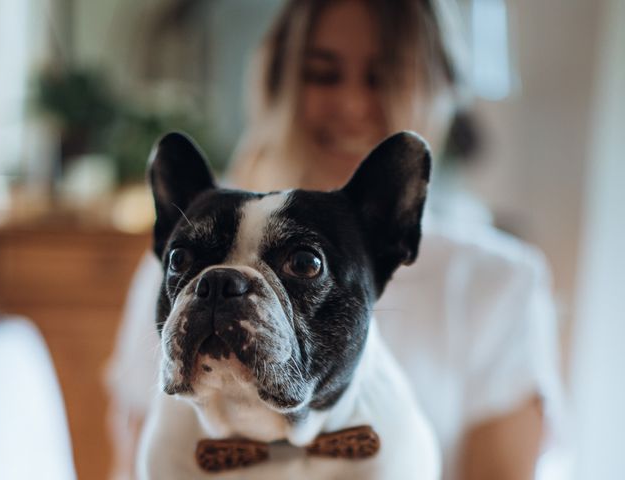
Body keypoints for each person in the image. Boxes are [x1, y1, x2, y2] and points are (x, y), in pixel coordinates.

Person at [106, 1, 564, 479]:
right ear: (273, 82)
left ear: (442, 87)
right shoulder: (171, 271)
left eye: (303, 264)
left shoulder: (498, 282)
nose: (350, 105)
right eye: (322, 75)